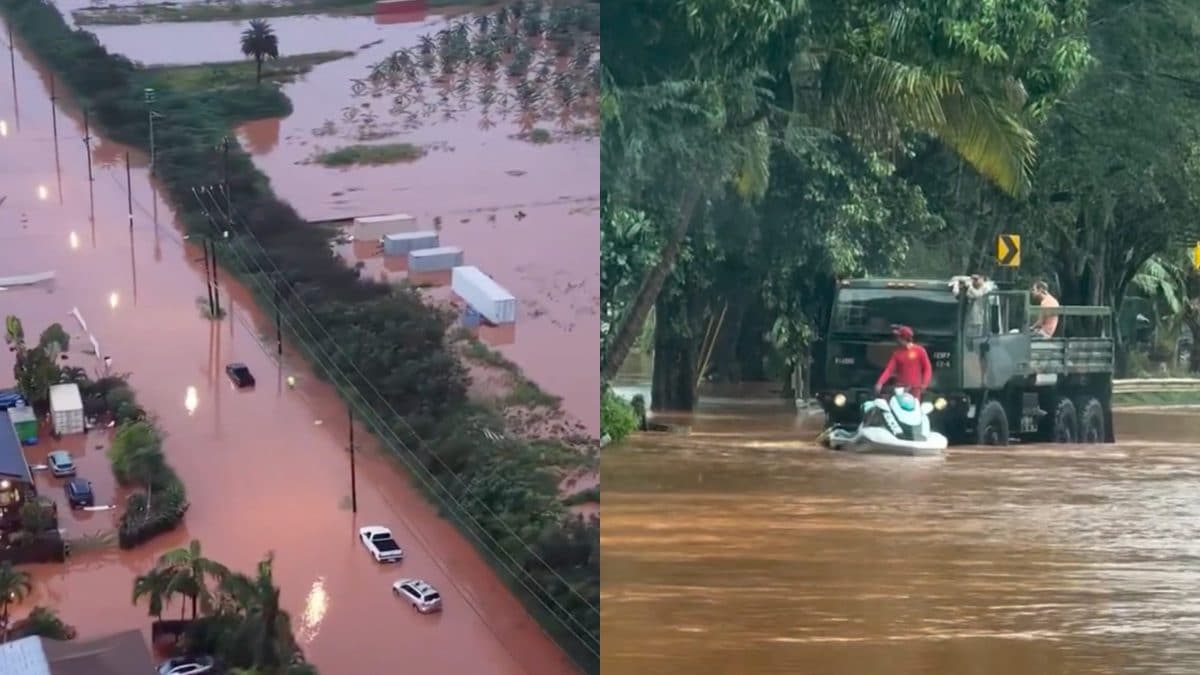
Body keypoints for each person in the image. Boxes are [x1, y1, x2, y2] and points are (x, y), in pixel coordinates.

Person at [874, 325, 933, 399]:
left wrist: (925, 383)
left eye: (898, 337)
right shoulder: (897, 354)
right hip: (900, 389)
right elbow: (889, 370)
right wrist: (880, 382)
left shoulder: (920, 351)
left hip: (915, 390)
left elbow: (927, 368)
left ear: (904, 338)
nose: (896, 339)